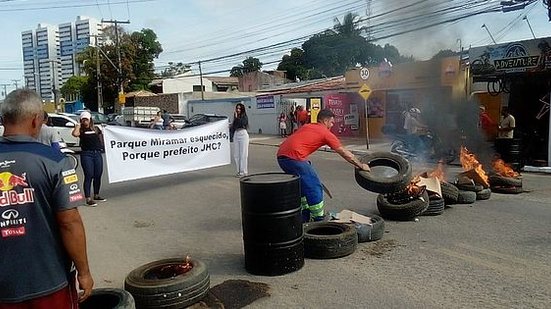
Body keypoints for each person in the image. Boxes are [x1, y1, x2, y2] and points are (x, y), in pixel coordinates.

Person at [0, 89, 93, 307]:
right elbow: (69, 222)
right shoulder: (56, 161)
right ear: (36, 120)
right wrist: (84, 272)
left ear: (4, 120)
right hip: (48, 282)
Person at [277, 109, 371, 222]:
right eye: (331, 122)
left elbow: (299, 141)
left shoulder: (308, 126)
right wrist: (360, 165)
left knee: (302, 187)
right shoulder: (325, 133)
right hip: (295, 158)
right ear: (325, 120)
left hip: (282, 157)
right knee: (314, 187)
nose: (332, 125)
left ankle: (303, 217)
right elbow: (344, 153)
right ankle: (319, 219)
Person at [72, 111, 106, 206]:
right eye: (83, 119)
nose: (85, 121)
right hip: (87, 154)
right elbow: (75, 134)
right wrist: (78, 125)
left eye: (86, 119)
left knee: (98, 174)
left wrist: (103, 146)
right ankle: (88, 198)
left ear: (90, 119)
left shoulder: (96, 129)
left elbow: (101, 138)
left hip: (97, 153)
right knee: (89, 175)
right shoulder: (81, 130)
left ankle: (96, 194)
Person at [231, 103, 249, 177]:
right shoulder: (235, 117)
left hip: (243, 134)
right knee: (236, 154)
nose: (238, 110)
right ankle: (238, 171)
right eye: (237, 108)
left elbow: (242, 123)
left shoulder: (244, 117)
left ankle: (243, 171)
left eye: (239, 109)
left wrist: (237, 118)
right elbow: (234, 126)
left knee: (243, 154)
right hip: (236, 134)